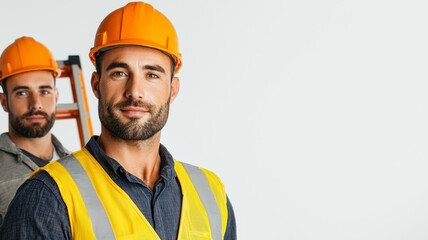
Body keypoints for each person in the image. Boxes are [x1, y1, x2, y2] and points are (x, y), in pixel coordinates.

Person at [0, 2, 236, 239]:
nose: (135, 91)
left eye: (152, 75)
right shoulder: (47, 196)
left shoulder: (211, 194)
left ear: (173, 90)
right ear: (96, 85)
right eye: (119, 73)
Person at [0, 36, 70, 225]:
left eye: (44, 91)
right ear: (4, 101)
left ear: (56, 96)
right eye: (22, 93)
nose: (36, 104)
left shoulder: (77, 164)